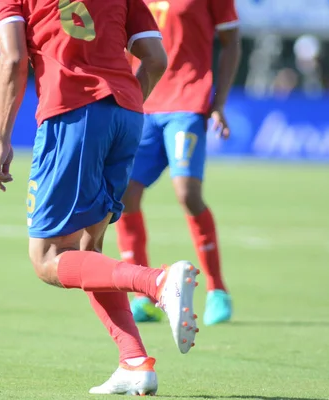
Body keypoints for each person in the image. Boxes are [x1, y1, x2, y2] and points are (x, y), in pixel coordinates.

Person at [0, 0, 200, 395]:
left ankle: (157, 282)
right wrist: (124, 101)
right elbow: (154, 58)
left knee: (48, 258)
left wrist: (1, 139)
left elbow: (13, 57)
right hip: (128, 114)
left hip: (72, 114)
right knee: (90, 247)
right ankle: (134, 361)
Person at [115, 0, 241, 326]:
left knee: (187, 193)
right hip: (143, 100)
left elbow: (231, 40)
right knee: (125, 194)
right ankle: (144, 295)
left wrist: (219, 102)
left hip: (187, 101)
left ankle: (217, 290)